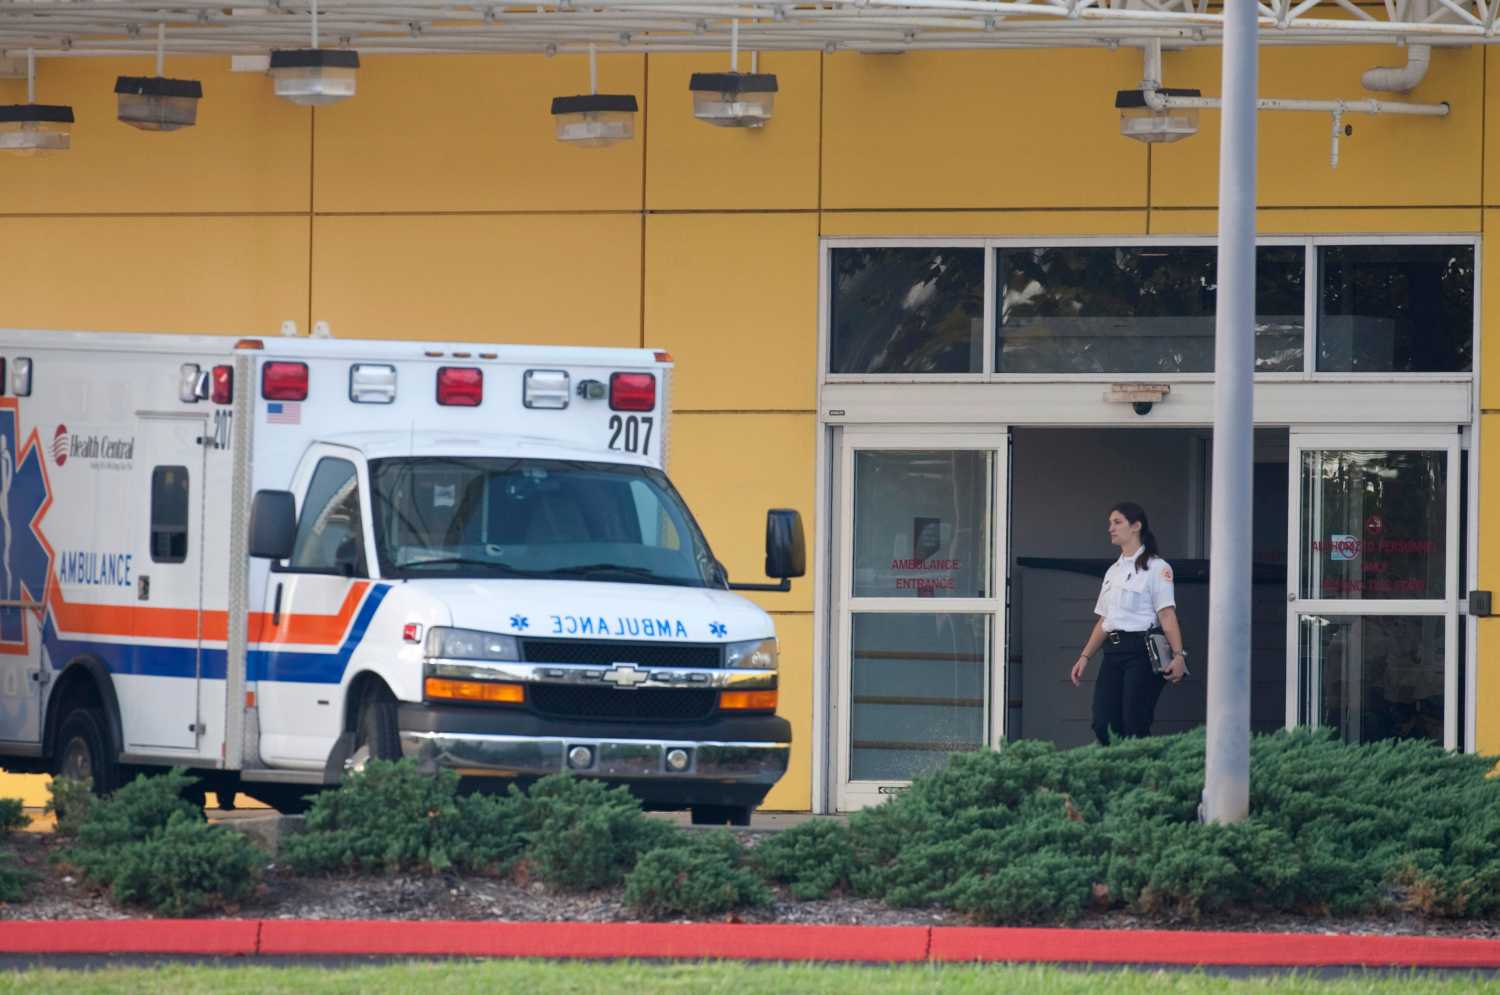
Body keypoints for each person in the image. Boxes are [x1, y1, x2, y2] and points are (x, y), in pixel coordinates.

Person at [1069, 501, 1187, 745]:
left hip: (1140, 652)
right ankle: (1118, 772)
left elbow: (1166, 615)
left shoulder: (1157, 567)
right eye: (1110, 523)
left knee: (1134, 722)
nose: (1110, 528)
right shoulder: (1113, 571)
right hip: (1113, 652)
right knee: (1103, 723)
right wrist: (1085, 656)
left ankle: (1141, 777)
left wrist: (1178, 655)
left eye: (1117, 522)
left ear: (1136, 526)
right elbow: (1104, 619)